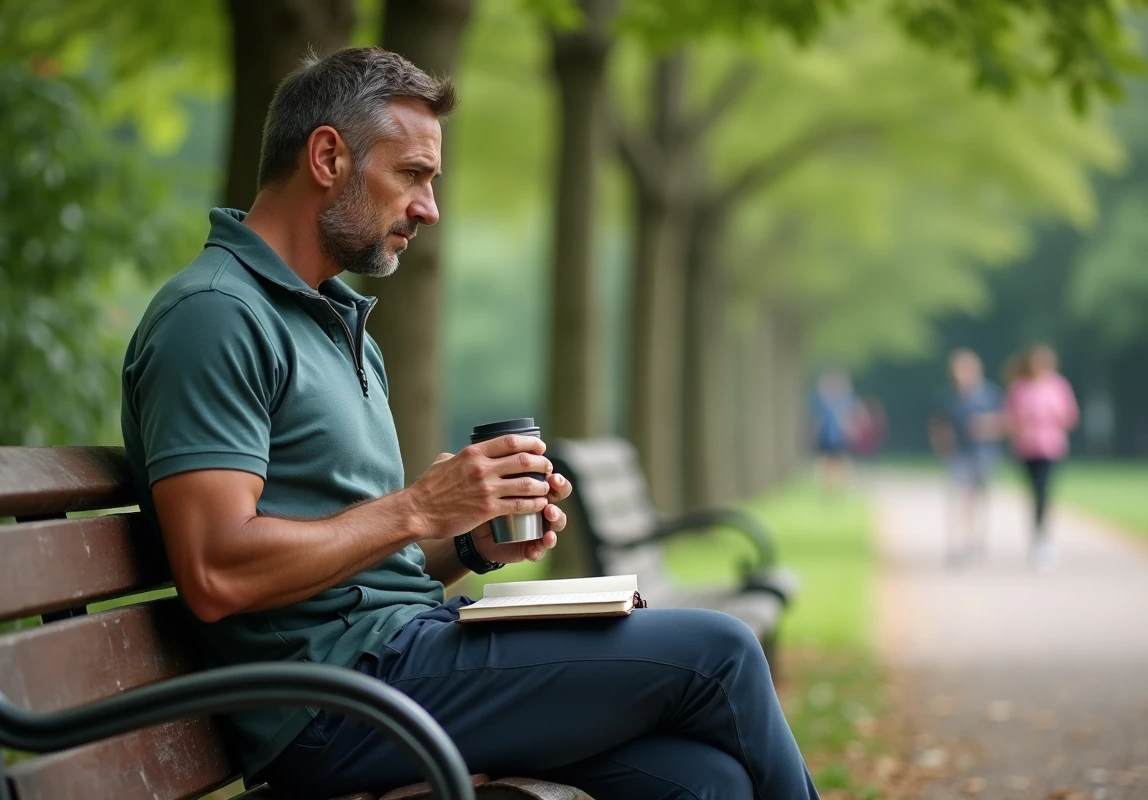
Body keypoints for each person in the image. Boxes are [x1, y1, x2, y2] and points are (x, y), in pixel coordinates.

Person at [120, 47, 818, 800]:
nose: (429, 208)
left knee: (699, 780)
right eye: (412, 175)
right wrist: (417, 506)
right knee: (722, 650)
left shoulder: (332, 325)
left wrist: (465, 545)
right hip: (338, 704)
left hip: (401, 664)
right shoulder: (217, 317)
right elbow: (217, 571)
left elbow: (361, 569)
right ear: (327, 156)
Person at [1003, 344, 1079, 570]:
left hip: (1051, 448)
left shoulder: (1058, 386)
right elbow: (1010, 419)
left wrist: (1052, 418)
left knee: (1044, 491)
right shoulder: (1019, 388)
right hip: (1027, 448)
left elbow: (1070, 417)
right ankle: (1038, 536)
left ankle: (1043, 539)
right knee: (1034, 493)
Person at [929, 349, 1004, 565]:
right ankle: (960, 542)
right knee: (960, 498)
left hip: (984, 454)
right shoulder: (947, 396)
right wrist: (942, 444)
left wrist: (986, 425)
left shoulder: (990, 394)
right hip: (958, 455)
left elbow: (1005, 422)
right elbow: (938, 424)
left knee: (980, 499)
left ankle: (977, 539)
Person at [810, 369, 862, 495]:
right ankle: (827, 489)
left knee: (840, 464)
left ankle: (838, 489)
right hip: (826, 438)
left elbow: (852, 419)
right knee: (825, 464)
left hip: (840, 438)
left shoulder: (846, 401)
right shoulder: (822, 403)